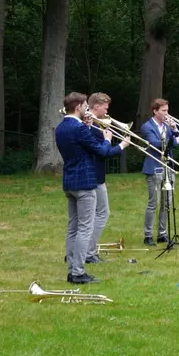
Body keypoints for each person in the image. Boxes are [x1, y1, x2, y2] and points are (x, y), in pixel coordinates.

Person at [55, 92, 119, 284]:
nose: (86, 109)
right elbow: (101, 151)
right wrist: (107, 138)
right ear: (78, 107)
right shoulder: (79, 129)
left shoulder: (61, 128)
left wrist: (88, 127)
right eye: (84, 106)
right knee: (85, 228)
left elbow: (78, 148)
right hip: (85, 183)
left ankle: (71, 269)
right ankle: (78, 272)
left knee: (73, 227)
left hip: (70, 182)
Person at [85, 92, 131, 263]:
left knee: (88, 218)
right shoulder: (92, 127)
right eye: (105, 107)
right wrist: (122, 145)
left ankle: (82, 252)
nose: (107, 110)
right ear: (96, 106)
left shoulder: (94, 125)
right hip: (95, 177)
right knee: (102, 214)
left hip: (93, 176)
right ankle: (89, 252)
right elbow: (103, 153)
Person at [141, 98, 179, 245]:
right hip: (154, 167)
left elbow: (174, 142)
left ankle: (162, 233)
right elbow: (156, 144)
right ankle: (148, 235)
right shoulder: (147, 127)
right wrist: (176, 140)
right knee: (153, 203)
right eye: (163, 111)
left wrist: (175, 130)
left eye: (167, 110)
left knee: (166, 203)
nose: (167, 114)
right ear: (155, 111)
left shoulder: (167, 126)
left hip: (168, 167)